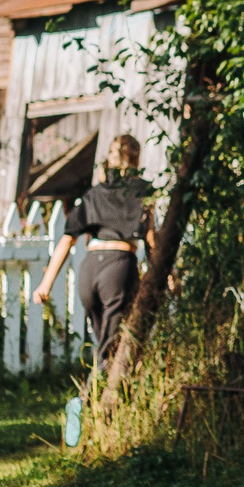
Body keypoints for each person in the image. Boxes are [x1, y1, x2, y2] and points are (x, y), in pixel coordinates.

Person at [32, 135, 155, 366]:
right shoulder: (142, 191)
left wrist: (45, 284)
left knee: (105, 342)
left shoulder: (94, 194)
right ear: (137, 159)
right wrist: (167, 274)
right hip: (118, 268)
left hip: (89, 271)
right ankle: (95, 388)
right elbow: (151, 238)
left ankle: (106, 386)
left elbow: (68, 240)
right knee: (110, 348)